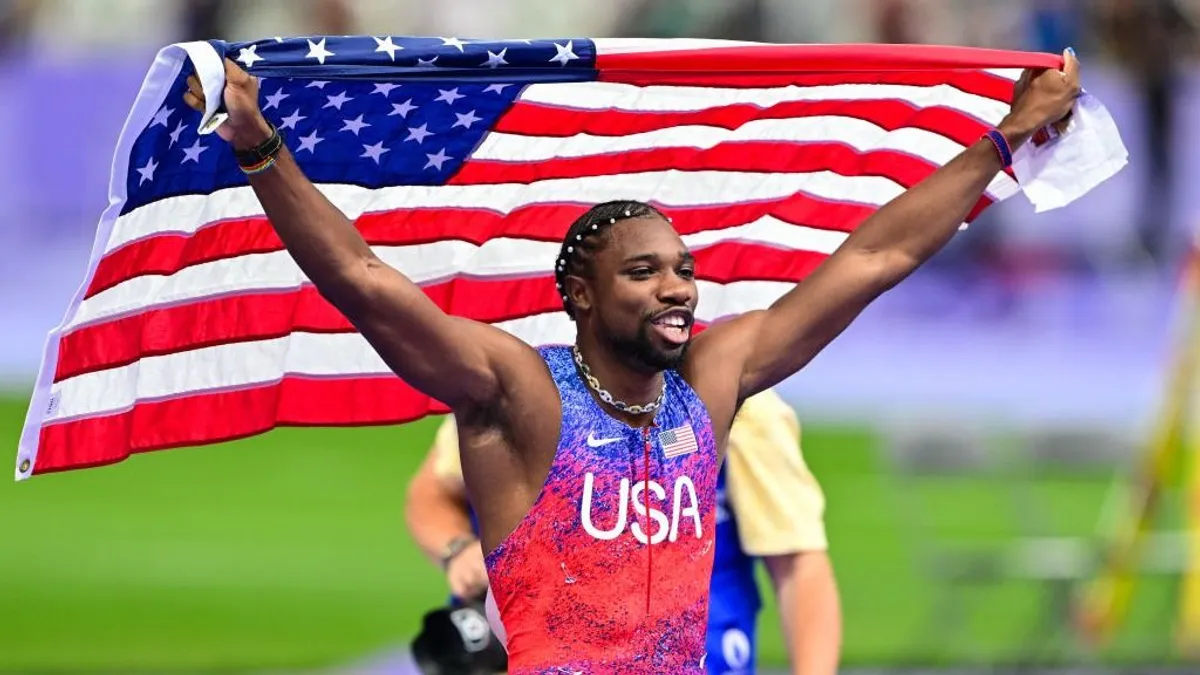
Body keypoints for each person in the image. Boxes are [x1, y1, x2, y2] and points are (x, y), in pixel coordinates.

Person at [183, 49, 1080, 673]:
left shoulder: (713, 384)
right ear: (579, 294)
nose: (677, 289)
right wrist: (259, 146)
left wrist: (1004, 141)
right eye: (643, 273)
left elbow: (870, 259)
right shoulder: (516, 392)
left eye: (684, 270)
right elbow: (365, 277)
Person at [406, 388, 840, 675]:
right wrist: (458, 550)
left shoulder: (742, 404)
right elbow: (432, 492)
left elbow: (798, 563)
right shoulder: (522, 383)